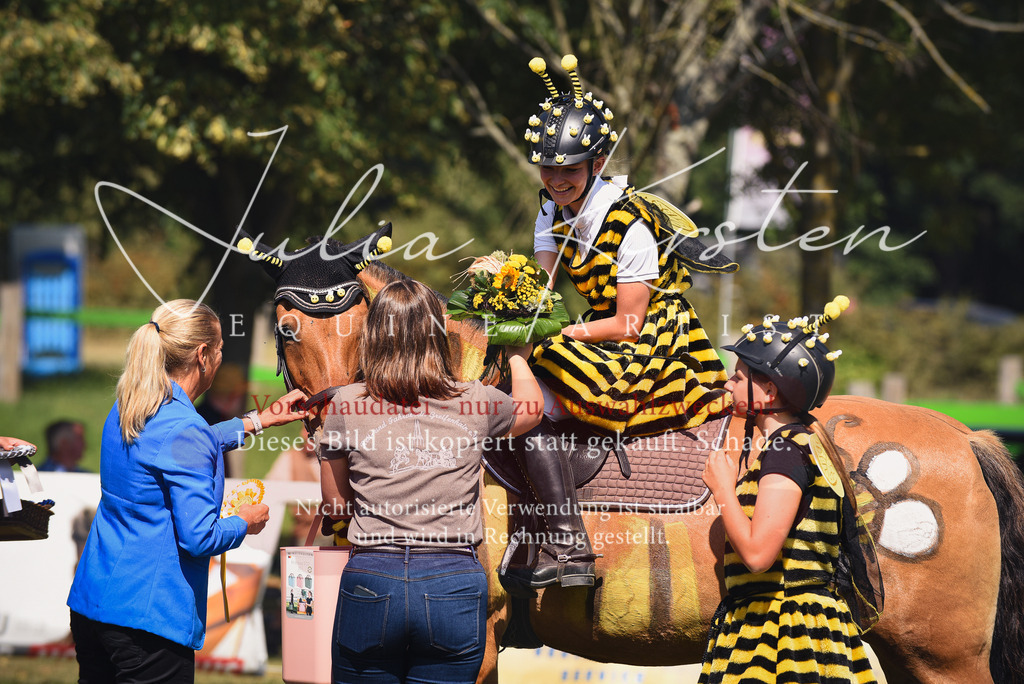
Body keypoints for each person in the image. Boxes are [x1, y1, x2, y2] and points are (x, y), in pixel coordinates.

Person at [504, 54, 737, 589]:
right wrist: (504, 310)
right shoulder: (549, 211)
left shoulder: (630, 224)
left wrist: (558, 334)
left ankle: (570, 544)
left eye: (569, 169)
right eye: (548, 168)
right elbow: (543, 294)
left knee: (544, 366)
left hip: (652, 336)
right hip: (599, 326)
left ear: (598, 163)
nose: (557, 180)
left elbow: (629, 324)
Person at [66, 299, 308, 684]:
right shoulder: (184, 428)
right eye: (221, 350)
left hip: (95, 602)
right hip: (149, 618)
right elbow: (200, 537)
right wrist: (244, 521)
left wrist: (258, 420)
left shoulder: (129, 405)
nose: (221, 359)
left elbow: (176, 446)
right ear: (202, 355)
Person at [319, 279, 542, 684]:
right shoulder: (477, 399)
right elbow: (532, 409)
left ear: (373, 335)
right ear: (437, 336)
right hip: (453, 581)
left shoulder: (345, 404)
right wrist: (517, 355)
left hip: (372, 577)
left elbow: (336, 505)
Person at [700, 297, 883, 683]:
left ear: (768, 391)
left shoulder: (786, 449)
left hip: (785, 634)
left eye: (737, 378)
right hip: (784, 623)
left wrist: (723, 490)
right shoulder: (797, 444)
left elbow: (757, 555)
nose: (727, 384)